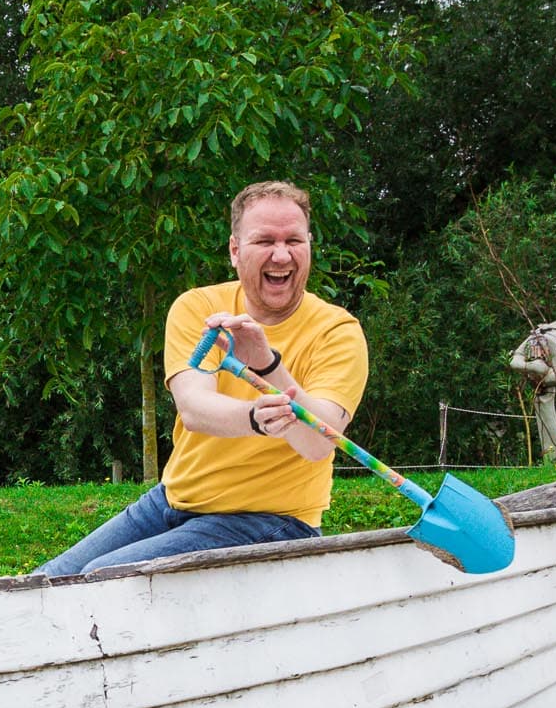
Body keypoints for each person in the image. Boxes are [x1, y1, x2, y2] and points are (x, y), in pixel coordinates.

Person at [37, 180, 368, 576]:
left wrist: (265, 364)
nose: (282, 256)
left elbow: (317, 442)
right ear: (235, 250)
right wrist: (255, 417)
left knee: (102, 578)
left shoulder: (338, 331)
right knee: (48, 580)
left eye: (294, 240)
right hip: (172, 501)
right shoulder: (201, 308)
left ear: (309, 245)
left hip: (274, 520)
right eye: (265, 241)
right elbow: (194, 407)